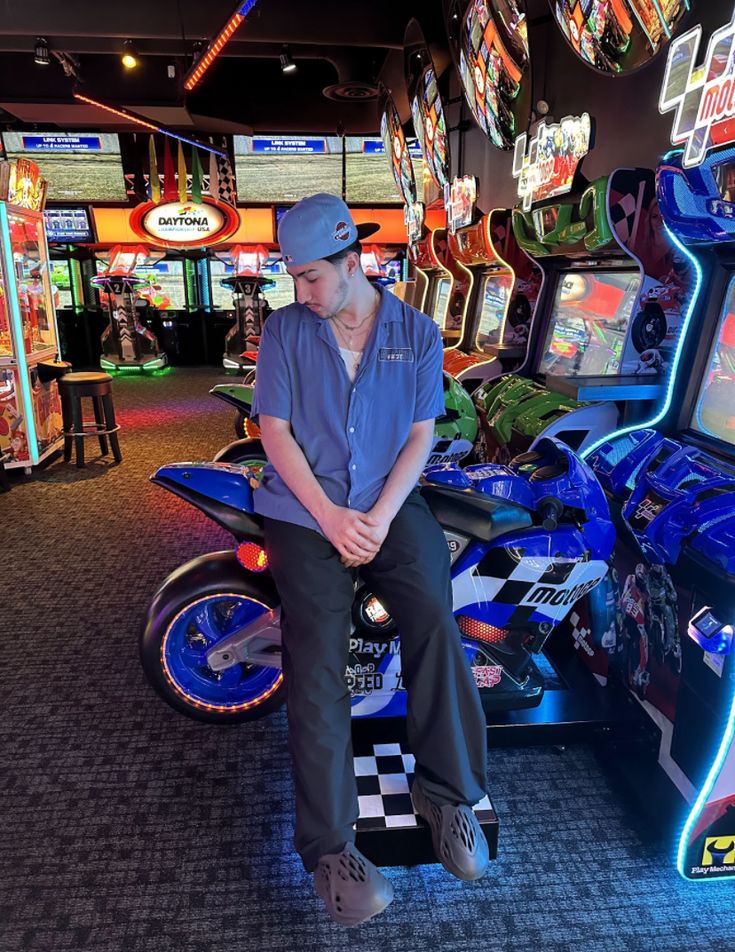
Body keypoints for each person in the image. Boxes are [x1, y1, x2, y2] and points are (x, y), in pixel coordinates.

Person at [251, 193, 489, 926]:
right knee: (317, 657)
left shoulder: (415, 332)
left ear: (353, 264)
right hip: (303, 507)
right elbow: (275, 431)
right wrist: (329, 517)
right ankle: (328, 848)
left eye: (312, 276)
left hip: (389, 501)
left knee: (435, 623)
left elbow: (419, 435)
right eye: (293, 277)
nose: (301, 291)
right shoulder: (286, 332)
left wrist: (380, 516)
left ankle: (446, 794)